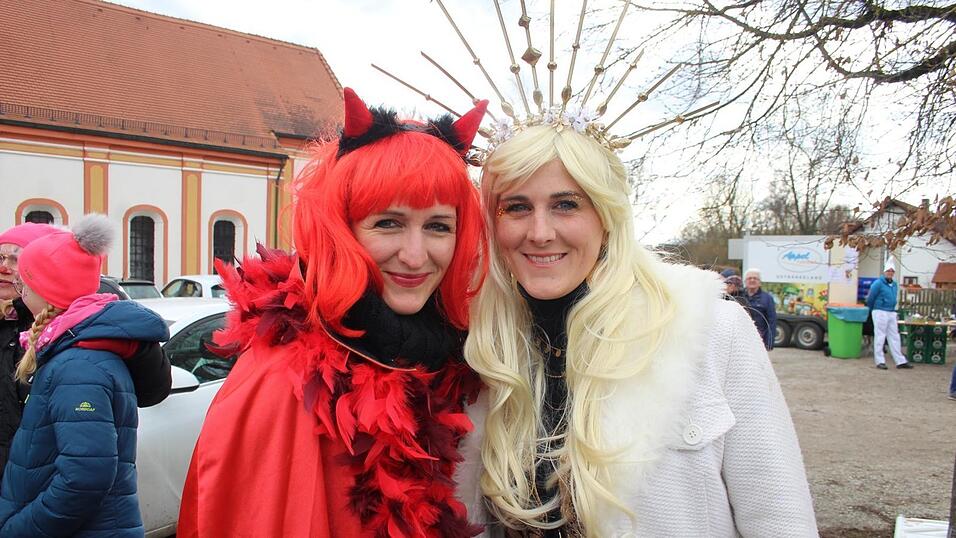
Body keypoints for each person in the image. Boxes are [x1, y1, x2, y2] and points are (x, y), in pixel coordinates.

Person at [458, 124, 818, 536]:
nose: (540, 232)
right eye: (517, 207)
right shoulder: (482, 348)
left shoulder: (708, 332)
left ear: (607, 217)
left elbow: (780, 518)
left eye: (566, 205)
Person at [177, 88, 488, 537]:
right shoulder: (285, 379)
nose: (416, 256)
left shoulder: (446, 358)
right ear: (341, 229)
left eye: (438, 226)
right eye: (388, 223)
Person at [0, 214, 170, 536]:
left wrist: (20, 528)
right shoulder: (73, 349)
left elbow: (85, 477)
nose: (20, 292)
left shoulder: (79, 365)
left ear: (46, 291)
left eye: (25, 282)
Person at [0, 223, 58, 482]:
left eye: (15, 258)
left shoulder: (60, 328)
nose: (4, 267)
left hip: (40, 479)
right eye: (0, 257)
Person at [866, 260, 912, 370]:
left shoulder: (894, 284)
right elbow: (871, 297)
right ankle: (880, 361)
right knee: (880, 336)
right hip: (880, 311)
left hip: (891, 311)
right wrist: (873, 309)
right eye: (888, 271)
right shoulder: (878, 283)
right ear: (884, 272)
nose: (890, 273)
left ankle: (900, 361)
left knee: (895, 336)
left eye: (892, 271)